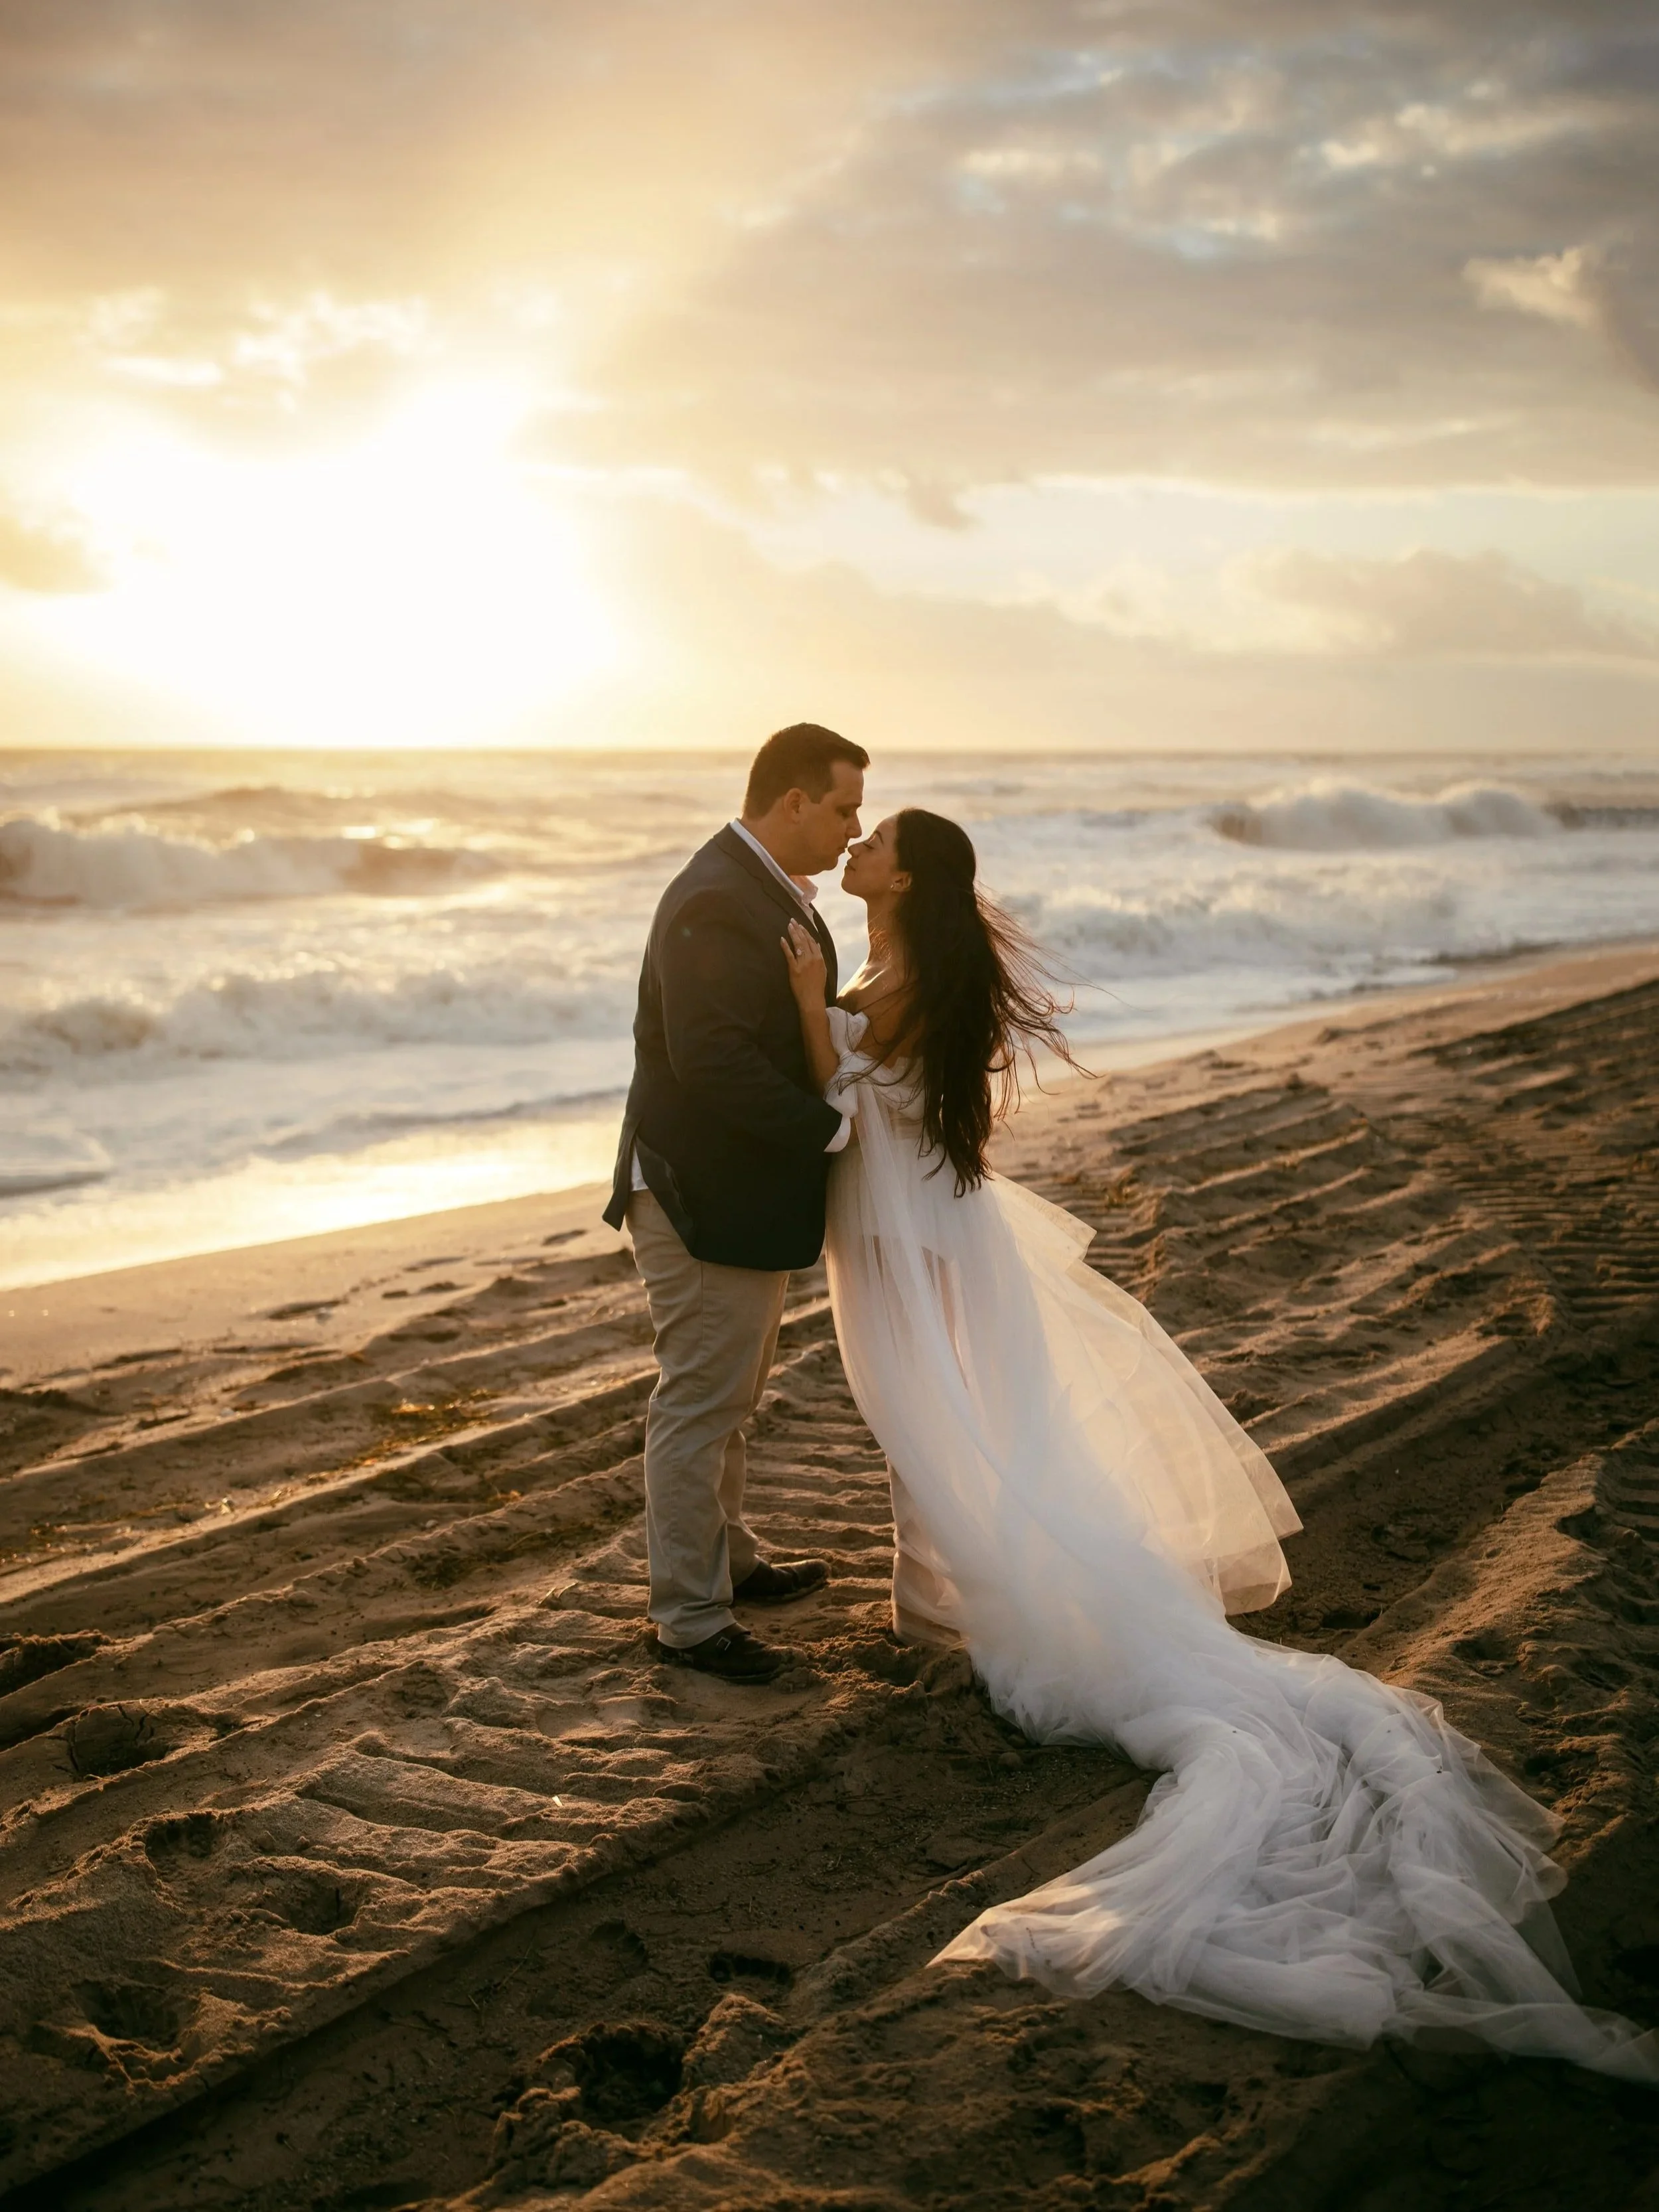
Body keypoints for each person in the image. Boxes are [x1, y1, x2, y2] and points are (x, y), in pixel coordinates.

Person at [777, 805, 1658, 2079]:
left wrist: (803, 1002)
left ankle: (938, 1606)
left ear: (906, 876)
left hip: (915, 1238)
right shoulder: (894, 965)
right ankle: (936, 1597)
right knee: (930, 1416)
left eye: (876, 840)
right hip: (908, 1227)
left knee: (934, 1416)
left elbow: (837, 1089)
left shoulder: (908, 980)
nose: (856, 847)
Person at [605, 722, 869, 1682]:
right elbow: (708, 1057)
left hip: (735, 1190)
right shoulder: (717, 898)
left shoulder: (756, 884)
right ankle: (688, 1619)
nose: (854, 829)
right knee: (699, 1401)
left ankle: (730, 1562)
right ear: (793, 802)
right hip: (699, 1193)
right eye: (843, 809)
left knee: (730, 1396)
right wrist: (826, 1127)